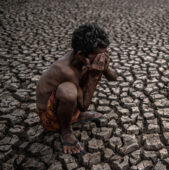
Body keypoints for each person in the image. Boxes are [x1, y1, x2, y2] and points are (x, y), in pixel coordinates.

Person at [36, 23, 117, 155]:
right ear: (81, 54)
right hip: (50, 119)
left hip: (72, 106)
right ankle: (66, 131)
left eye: (105, 53)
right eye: (98, 55)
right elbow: (84, 105)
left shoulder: (85, 59)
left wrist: (105, 68)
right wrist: (93, 76)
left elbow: (113, 78)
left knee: (77, 85)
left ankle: (75, 116)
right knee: (68, 91)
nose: (101, 58)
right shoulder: (66, 70)